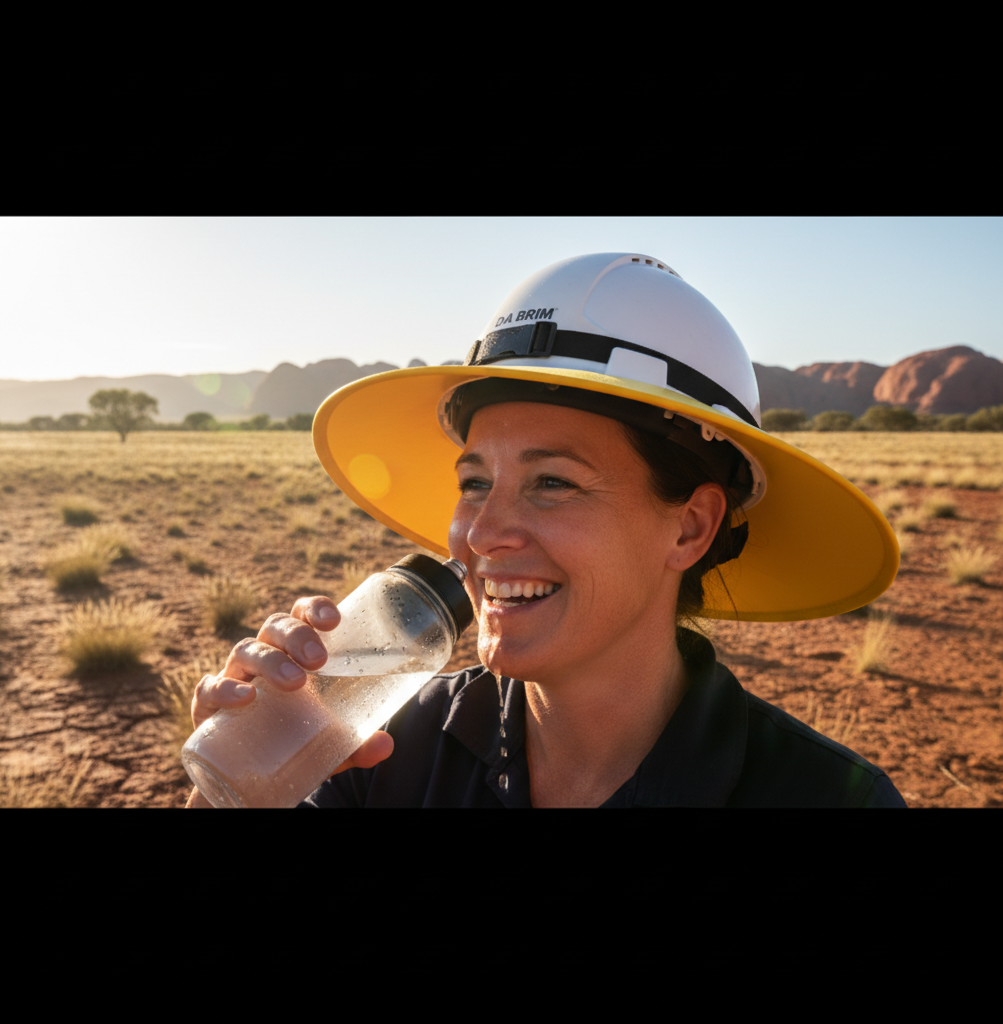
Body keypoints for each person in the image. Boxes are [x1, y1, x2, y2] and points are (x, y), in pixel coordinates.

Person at [187, 253, 906, 807]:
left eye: (553, 482)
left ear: (689, 527)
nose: (483, 532)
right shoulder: (385, 748)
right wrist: (236, 790)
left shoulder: (820, 795)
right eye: (474, 483)